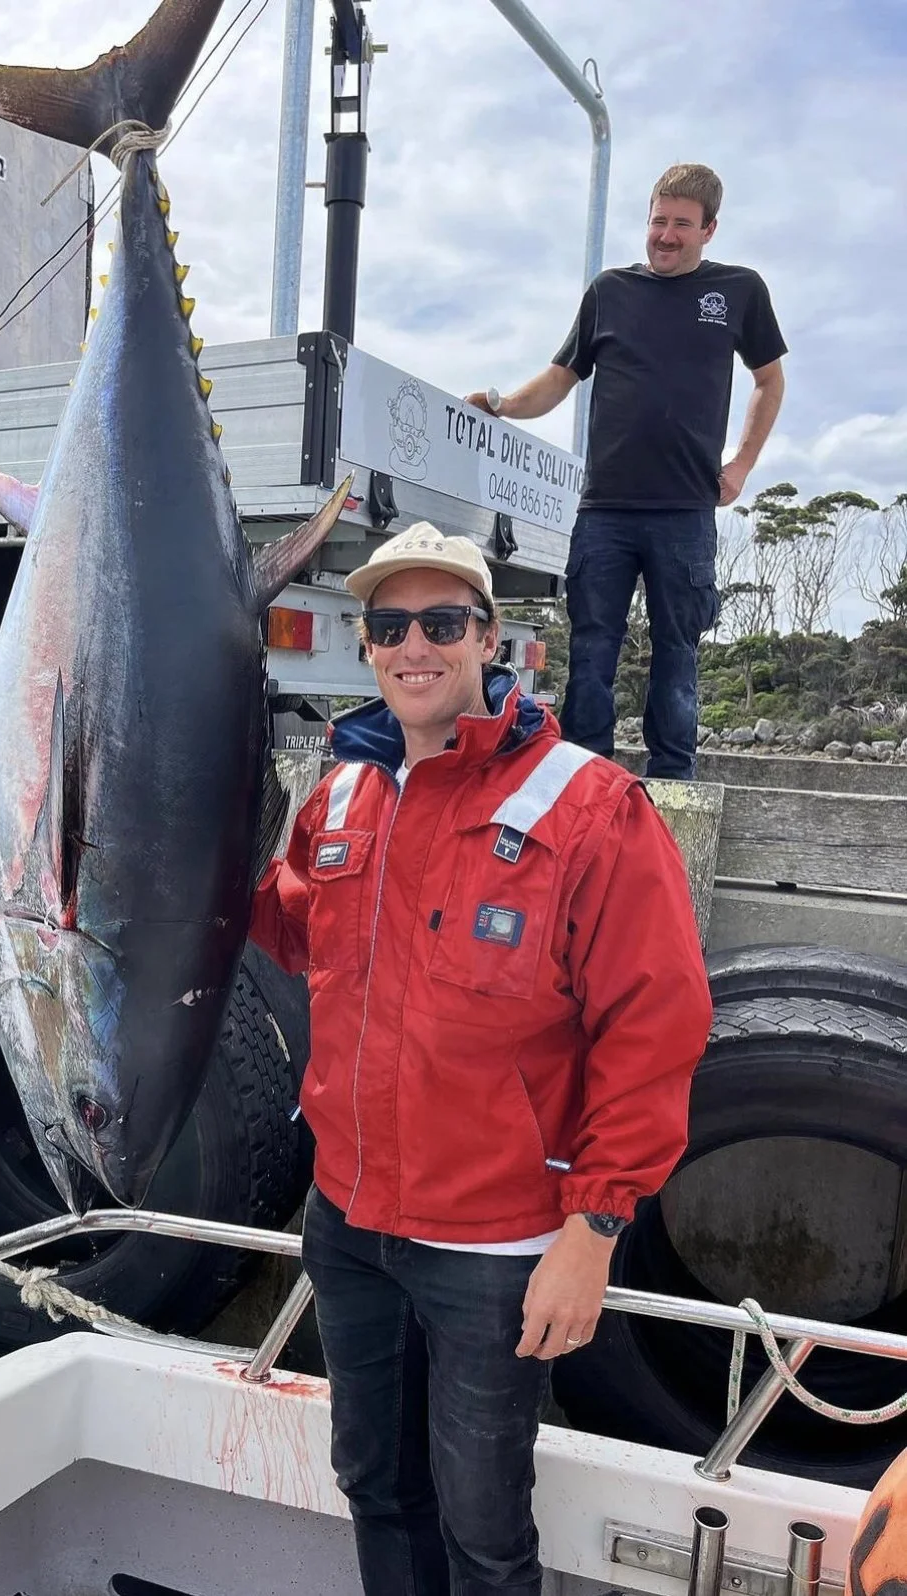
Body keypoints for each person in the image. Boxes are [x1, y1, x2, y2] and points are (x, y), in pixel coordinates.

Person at [249, 519, 713, 1596]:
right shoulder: (342, 795)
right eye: (389, 626)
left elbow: (655, 1030)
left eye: (442, 622)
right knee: (373, 1481)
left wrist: (593, 1233)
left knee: (484, 1523)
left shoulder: (590, 807)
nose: (414, 646)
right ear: (366, 646)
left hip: (496, 1248)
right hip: (348, 1223)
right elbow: (291, 931)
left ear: (488, 638)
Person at [467, 163, 787, 780]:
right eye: (658, 221)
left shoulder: (740, 290)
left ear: (709, 229)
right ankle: (584, 778)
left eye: (682, 225)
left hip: (685, 510)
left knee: (677, 651)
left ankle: (672, 783)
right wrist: (502, 403)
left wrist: (742, 465)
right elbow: (558, 379)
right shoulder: (609, 291)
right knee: (590, 651)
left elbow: (769, 380)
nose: (666, 235)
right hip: (605, 510)